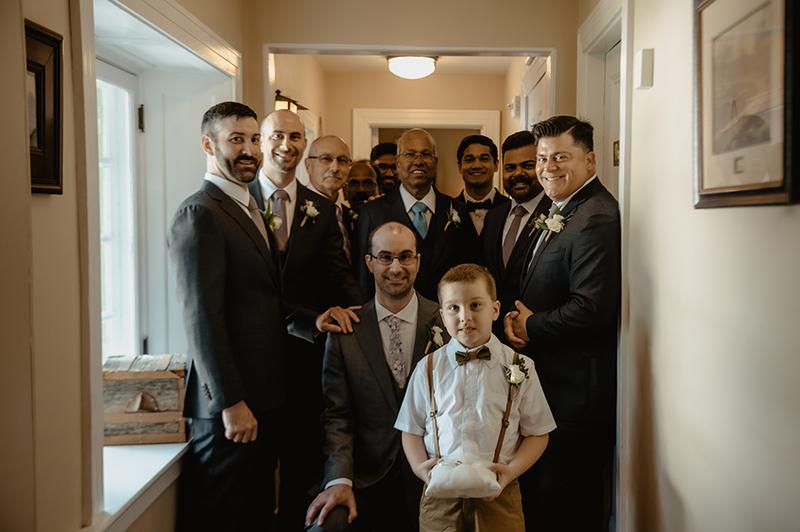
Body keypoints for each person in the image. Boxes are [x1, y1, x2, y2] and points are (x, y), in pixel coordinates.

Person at [168, 102, 356, 531]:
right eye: (237, 139)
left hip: (264, 396)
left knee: (253, 514)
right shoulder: (201, 212)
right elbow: (202, 319)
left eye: (253, 138)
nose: (250, 149)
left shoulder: (245, 209)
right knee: (224, 516)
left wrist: (314, 322)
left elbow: (265, 300)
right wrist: (231, 402)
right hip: (231, 408)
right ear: (207, 144)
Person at [249, 109, 364, 531]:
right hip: (252, 364)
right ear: (261, 141)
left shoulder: (319, 208)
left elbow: (338, 275)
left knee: (301, 466)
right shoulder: (238, 202)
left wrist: (365, 318)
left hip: (305, 361)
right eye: (277, 135)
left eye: (296, 136)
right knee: (255, 478)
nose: (287, 144)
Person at [505, 116, 620, 532]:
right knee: (547, 502)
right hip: (553, 387)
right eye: (542, 157)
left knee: (568, 507)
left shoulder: (596, 217)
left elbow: (591, 308)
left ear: (589, 160)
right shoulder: (564, 210)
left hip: (577, 397)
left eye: (560, 157)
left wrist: (531, 326)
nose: (548, 167)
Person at [306, 222, 446, 532]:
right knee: (325, 526)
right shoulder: (347, 331)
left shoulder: (447, 323)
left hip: (432, 476)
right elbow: (337, 416)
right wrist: (340, 479)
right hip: (366, 478)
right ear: (369, 263)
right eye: (385, 257)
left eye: (405, 257)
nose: (396, 268)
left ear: (418, 261)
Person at [396, 264, 555, 532]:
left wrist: (510, 472)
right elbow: (410, 429)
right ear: (442, 313)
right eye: (453, 308)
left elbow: (539, 433)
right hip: (441, 497)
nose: (464, 316)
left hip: (500, 494)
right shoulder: (427, 367)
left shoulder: (520, 365)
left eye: (475, 305)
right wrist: (420, 470)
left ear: (494, 309)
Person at [356, 128, 476, 302]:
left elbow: (470, 270)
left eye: (426, 154)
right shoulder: (372, 212)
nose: (418, 161)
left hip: (447, 316)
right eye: (410, 154)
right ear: (398, 163)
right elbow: (363, 276)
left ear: (435, 162)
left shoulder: (458, 210)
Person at [481, 131, 551, 339]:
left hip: (538, 338)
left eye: (527, 166)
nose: (517, 173)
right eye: (510, 168)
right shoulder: (494, 217)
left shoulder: (556, 215)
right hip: (495, 338)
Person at [304, 134, 355, 266]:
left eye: (342, 160)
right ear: (308, 165)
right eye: (326, 159)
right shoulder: (294, 206)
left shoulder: (351, 215)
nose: (335, 168)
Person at [454, 134, 510, 235]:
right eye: (469, 159)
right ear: (459, 166)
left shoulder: (511, 209)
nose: (477, 165)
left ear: (496, 165)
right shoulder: (447, 209)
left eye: (484, 159)